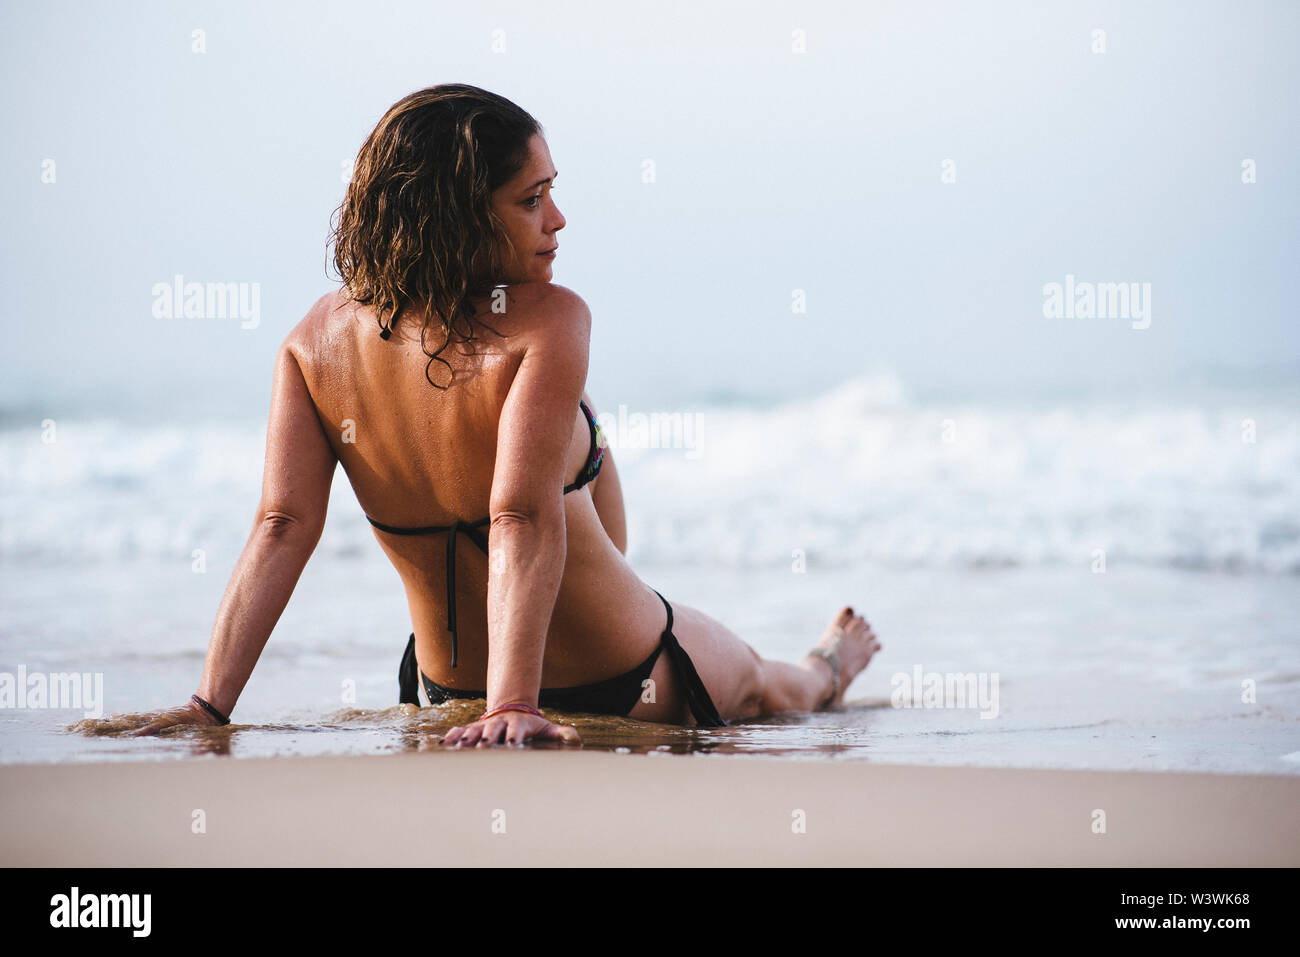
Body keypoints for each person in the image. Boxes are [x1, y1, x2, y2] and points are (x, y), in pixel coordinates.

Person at [130, 83, 881, 747]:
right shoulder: (549, 321)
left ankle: (819, 662)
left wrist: (209, 704)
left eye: (551, 191)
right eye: (530, 200)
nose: (557, 219)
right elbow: (517, 513)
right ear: (455, 218)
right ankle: (827, 666)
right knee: (770, 685)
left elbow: (281, 526)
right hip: (623, 672)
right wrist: (515, 704)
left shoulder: (311, 344)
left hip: (449, 692)